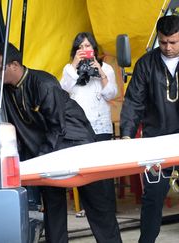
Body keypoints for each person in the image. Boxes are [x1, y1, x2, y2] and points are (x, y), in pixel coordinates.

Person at [0, 42, 122, 243]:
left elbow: (57, 127)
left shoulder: (44, 83)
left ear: (13, 65)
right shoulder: (6, 91)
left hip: (77, 143)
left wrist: (39, 158)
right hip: (47, 150)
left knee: (97, 205)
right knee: (53, 208)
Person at [120, 15, 179, 243]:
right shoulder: (146, 64)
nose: (168, 48)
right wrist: (127, 134)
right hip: (156, 141)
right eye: (163, 42)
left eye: (173, 42)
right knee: (153, 198)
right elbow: (133, 102)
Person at [60, 32, 118, 221]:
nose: (85, 50)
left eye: (88, 46)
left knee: (104, 169)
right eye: (81, 47)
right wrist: (75, 65)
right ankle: (87, 207)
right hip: (79, 127)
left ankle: (109, 207)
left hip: (101, 125)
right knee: (85, 169)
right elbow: (63, 91)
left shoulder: (106, 68)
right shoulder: (69, 69)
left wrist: (100, 72)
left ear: (94, 48)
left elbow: (111, 94)